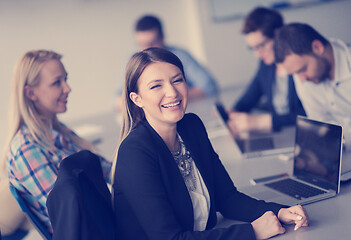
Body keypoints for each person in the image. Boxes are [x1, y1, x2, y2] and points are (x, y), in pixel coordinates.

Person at [112, 47, 308, 239]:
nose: (172, 92)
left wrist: (279, 212)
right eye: (156, 86)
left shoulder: (191, 126)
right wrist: (252, 232)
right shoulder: (135, 152)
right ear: (137, 99)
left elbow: (227, 198)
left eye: (177, 80)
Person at [2, 50, 112, 234]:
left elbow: (106, 169)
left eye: (65, 79)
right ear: (30, 93)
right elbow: (73, 211)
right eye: (56, 83)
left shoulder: (59, 132)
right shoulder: (26, 150)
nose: (67, 88)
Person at [274, 23, 351, 150]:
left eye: (302, 69)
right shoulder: (302, 76)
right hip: (344, 156)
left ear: (317, 47)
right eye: (296, 73)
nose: (302, 79)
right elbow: (321, 127)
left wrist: (341, 141)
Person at [115, 14, 218, 112]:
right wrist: (150, 102)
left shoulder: (180, 55)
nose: (146, 49)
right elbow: (117, 100)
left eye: (151, 43)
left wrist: (173, 99)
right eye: (142, 44)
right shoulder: (132, 61)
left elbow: (208, 86)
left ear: (163, 38)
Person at [230, 7, 305, 133]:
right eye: (252, 48)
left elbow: (311, 114)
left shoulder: (299, 64)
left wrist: (265, 121)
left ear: (277, 35)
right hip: (284, 136)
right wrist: (233, 113)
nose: (257, 54)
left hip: (301, 135)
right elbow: (249, 97)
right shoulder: (266, 65)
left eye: (260, 46)